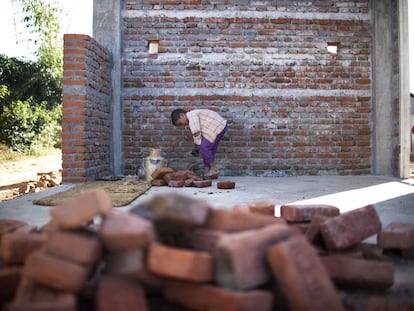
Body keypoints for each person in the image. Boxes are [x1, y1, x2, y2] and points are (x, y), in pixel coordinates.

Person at [171, 108, 228, 179]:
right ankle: (208, 170)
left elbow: (196, 133)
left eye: (180, 123)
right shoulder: (193, 115)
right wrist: (196, 145)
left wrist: (195, 147)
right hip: (221, 126)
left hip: (217, 126)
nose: (183, 125)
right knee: (209, 148)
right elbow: (198, 136)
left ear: (182, 115)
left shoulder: (191, 116)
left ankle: (213, 168)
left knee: (203, 146)